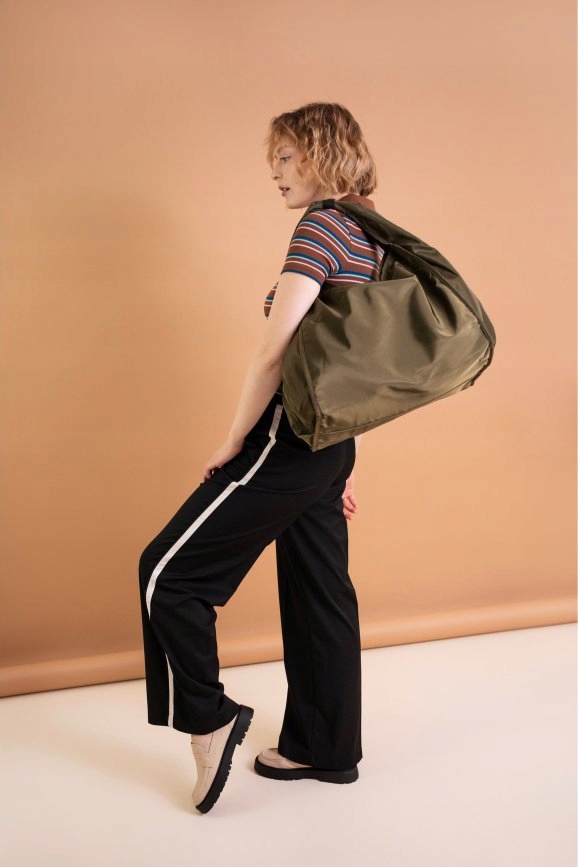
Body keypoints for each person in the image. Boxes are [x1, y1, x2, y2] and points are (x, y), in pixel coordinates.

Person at [138, 102, 384, 814]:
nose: (274, 172)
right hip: (329, 444)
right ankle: (324, 749)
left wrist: (233, 439)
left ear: (319, 152)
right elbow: (364, 365)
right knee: (320, 593)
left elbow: (276, 353)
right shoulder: (370, 231)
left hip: (288, 438)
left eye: (284, 156)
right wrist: (346, 462)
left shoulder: (321, 227)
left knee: (166, 575)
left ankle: (209, 718)